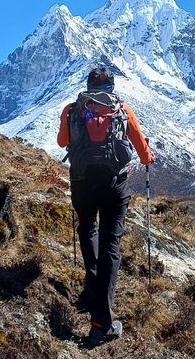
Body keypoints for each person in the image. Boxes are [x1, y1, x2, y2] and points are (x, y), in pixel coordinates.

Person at [57, 67, 154, 346]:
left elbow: (62, 142)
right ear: (112, 86)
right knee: (111, 245)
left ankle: (92, 290)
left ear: (88, 85)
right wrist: (148, 158)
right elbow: (141, 149)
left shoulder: (72, 109)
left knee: (87, 230)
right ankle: (102, 322)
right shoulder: (122, 109)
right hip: (115, 184)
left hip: (81, 180)